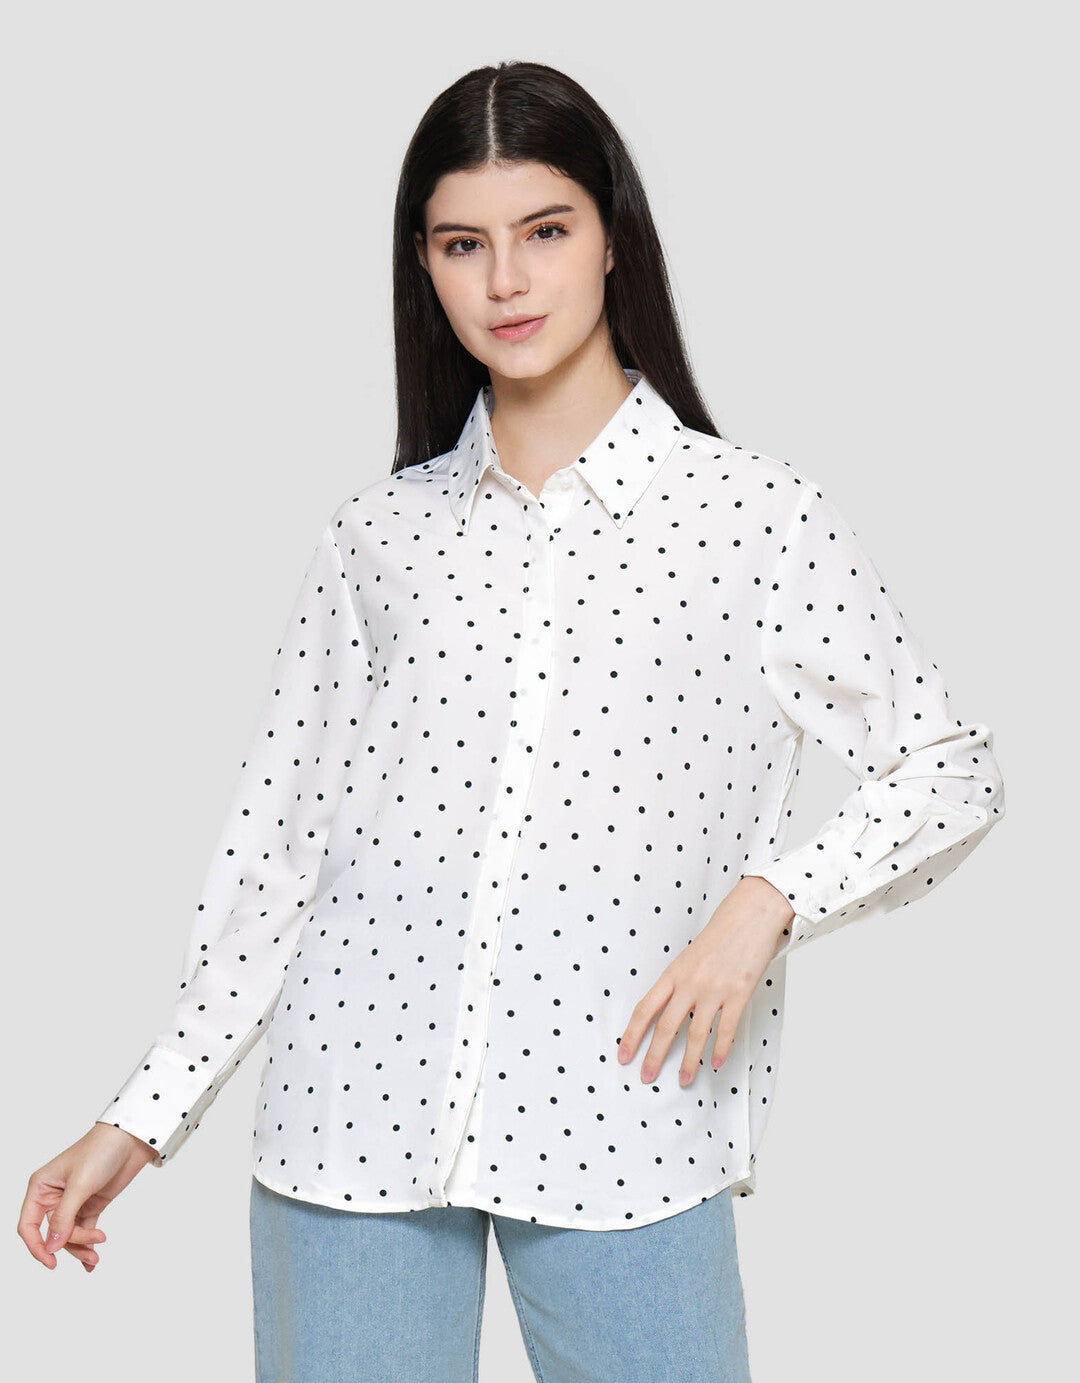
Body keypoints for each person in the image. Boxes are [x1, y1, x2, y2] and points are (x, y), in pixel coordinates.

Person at [19, 59, 1005, 1382]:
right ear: (423, 266)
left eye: (544, 230)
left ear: (612, 237)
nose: (506, 281)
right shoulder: (378, 538)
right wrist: (140, 1119)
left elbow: (948, 772)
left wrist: (767, 900)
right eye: (461, 244)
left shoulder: (755, 518)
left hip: (630, 1119)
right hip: (351, 1119)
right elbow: (282, 857)